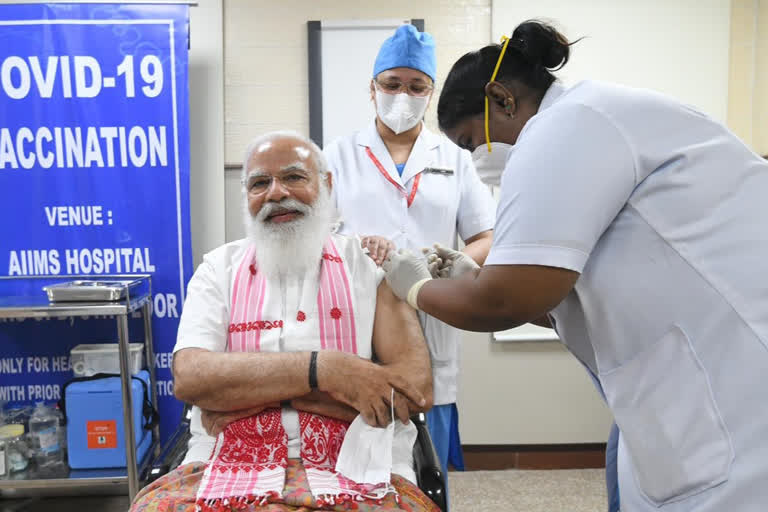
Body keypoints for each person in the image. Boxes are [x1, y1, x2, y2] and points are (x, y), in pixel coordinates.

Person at [382, 19, 768, 512]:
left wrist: (415, 287)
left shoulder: (567, 126)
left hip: (730, 377)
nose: (477, 158)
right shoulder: (593, 117)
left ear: (501, 99)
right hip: (673, 375)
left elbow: (503, 300)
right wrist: (469, 277)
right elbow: (562, 296)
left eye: (470, 141)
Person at [130, 131, 439, 512]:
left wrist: (249, 393)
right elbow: (192, 378)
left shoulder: (372, 266)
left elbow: (412, 390)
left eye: (293, 177)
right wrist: (328, 372)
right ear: (246, 196)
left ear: (325, 184)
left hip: (358, 461)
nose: (276, 193)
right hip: (226, 460)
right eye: (260, 183)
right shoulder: (217, 270)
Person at [324, 24, 496, 484]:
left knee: (427, 455)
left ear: (431, 92)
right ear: (373, 88)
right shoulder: (338, 156)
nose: (404, 95)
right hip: (358, 312)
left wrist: (450, 261)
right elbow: (316, 239)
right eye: (392, 84)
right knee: (358, 452)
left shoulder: (456, 157)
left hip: (432, 309)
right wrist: (355, 250)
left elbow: (486, 234)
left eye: (416, 86)